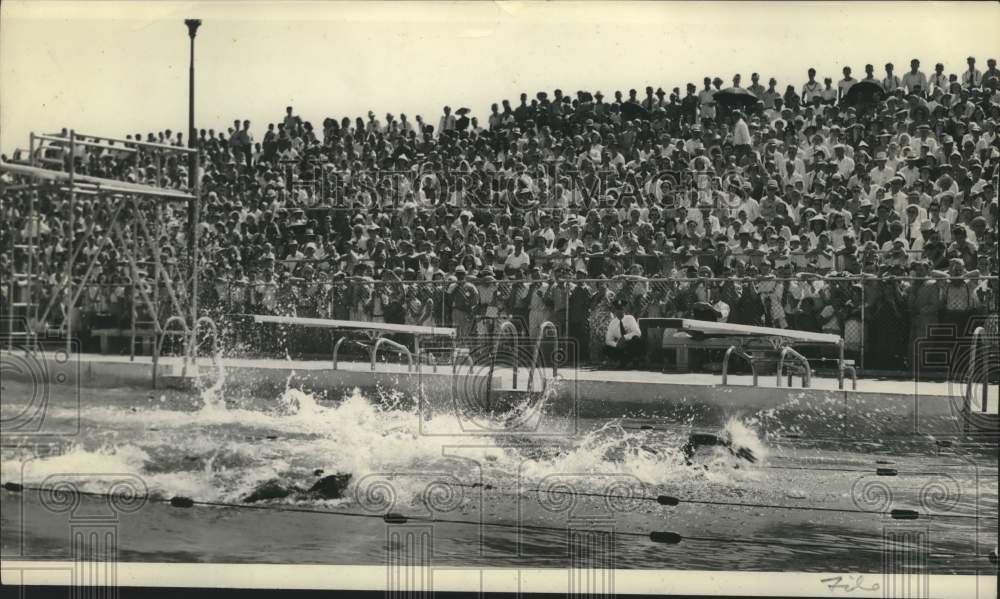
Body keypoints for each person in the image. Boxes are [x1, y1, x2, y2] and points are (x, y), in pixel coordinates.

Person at [604, 298, 642, 368]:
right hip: (619, 346)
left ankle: (634, 361)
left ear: (624, 310)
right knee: (607, 347)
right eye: (617, 310)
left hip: (629, 344)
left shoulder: (630, 318)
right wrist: (617, 344)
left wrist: (625, 337)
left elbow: (638, 332)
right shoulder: (612, 323)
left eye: (621, 309)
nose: (619, 312)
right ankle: (620, 361)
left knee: (636, 339)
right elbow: (608, 340)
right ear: (614, 311)